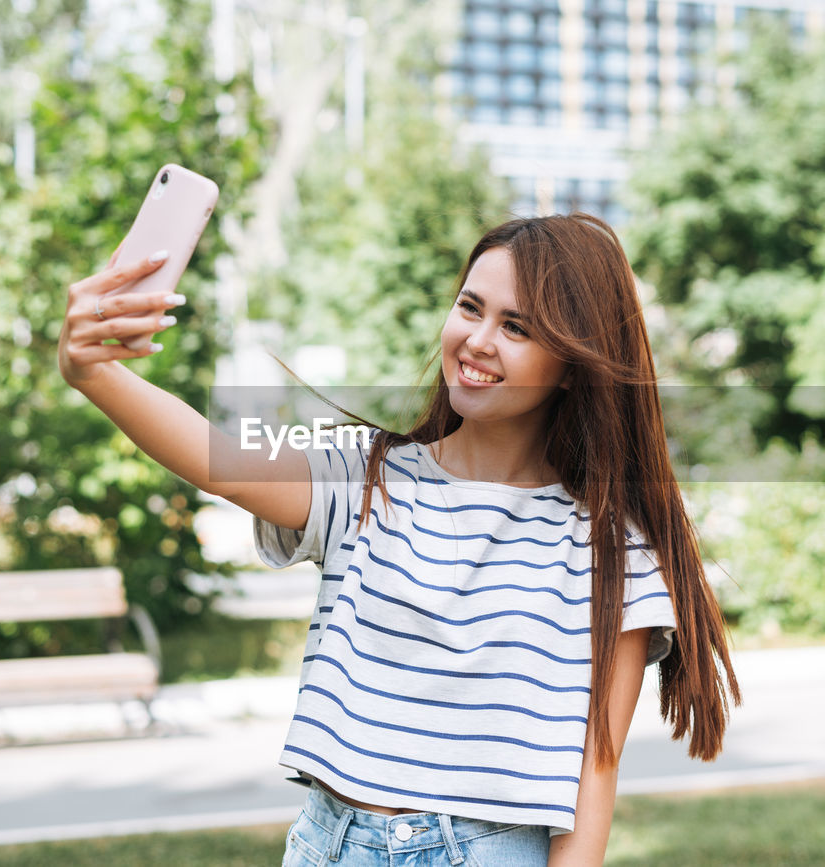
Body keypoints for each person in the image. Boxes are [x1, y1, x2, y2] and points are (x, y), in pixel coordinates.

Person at [58, 213, 741, 866]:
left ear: (571, 362)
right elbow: (221, 463)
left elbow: (596, 768)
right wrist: (95, 371)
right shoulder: (366, 475)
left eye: (517, 327)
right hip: (331, 844)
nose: (478, 340)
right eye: (470, 307)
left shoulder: (607, 542)